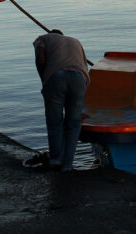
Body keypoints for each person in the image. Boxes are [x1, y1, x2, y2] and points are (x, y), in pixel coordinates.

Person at [30, 29, 90, 171]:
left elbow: (40, 59)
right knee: (73, 123)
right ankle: (68, 164)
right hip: (80, 79)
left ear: (52, 34)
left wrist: (44, 81)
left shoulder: (42, 39)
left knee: (54, 121)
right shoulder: (75, 41)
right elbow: (85, 66)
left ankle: (56, 159)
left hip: (56, 78)